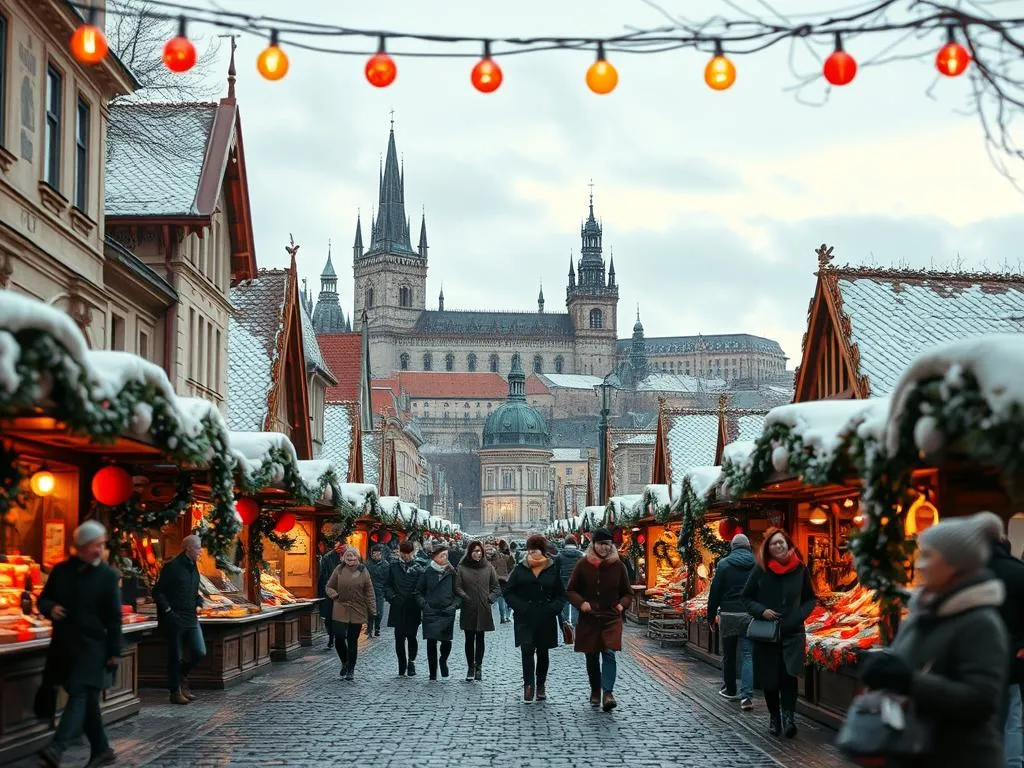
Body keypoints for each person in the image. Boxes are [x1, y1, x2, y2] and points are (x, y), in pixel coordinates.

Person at [859, 513, 1008, 768]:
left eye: (928, 556)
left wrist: (909, 681)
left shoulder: (980, 622)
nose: (919, 565)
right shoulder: (923, 612)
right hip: (915, 750)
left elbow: (981, 700)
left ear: (955, 564)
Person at [37, 521, 122, 768]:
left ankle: (57, 747)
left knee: (80, 693)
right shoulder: (61, 571)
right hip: (65, 646)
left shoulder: (107, 576)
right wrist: (51, 608)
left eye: (102, 545)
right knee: (88, 700)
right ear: (82, 546)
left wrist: (114, 651)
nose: (100, 550)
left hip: (93, 647)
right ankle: (102, 750)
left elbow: (114, 618)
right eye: (96, 545)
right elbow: (44, 599)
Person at [742, 527, 817, 738]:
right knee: (770, 681)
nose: (778, 546)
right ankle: (774, 716)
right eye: (774, 543)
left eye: (781, 542)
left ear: (788, 544)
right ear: (768, 548)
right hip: (767, 635)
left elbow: (810, 598)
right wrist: (762, 611)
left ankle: (789, 718)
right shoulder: (760, 570)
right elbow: (746, 597)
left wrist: (798, 615)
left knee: (789, 677)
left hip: (792, 633)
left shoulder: (800, 569)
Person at [566, 527, 631, 712]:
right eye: (601, 544)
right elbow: (571, 590)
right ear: (594, 544)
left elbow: (627, 592)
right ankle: (595, 689)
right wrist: (581, 603)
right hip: (590, 618)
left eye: (608, 544)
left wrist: (621, 605)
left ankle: (608, 693)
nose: (605, 548)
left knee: (609, 652)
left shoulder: (618, 565)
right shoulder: (583, 564)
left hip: (611, 617)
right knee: (592, 655)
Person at [503, 534, 566, 702]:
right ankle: (528, 685)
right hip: (525, 617)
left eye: (536, 550)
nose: (532, 553)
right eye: (530, 550)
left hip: (545, 616)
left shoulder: (552, 568)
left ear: (542, 551)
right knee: (527, 650)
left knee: (543, 652)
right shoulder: (520, 568)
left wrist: (552, 608)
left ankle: (541, 685)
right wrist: (521, 607)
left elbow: (561, 594)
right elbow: (508, 591)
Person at [984, 514, 1024, 768]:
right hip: (1013, 656)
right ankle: (1013, 764)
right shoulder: (1018, 572)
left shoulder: (973, 574)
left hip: (979, 658)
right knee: (1013, 718)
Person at [152, 533, 206, 705]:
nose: (200, 551)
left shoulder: (193, 566)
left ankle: (181, 677)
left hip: (191, 617)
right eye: (198, 548)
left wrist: (199, 602)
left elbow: (194, 591)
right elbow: (157, 591)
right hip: (174, 618)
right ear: (188, 548)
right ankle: (175, 691)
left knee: (200, 651)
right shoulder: (173, 567)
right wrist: (168, 611)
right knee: (175, 656)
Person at [707, 533, 756, 711]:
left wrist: (710, 615)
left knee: (728, 654)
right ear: (748, 546)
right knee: (748, 655)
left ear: (732, 547)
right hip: (749, 614)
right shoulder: (757, 564)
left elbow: (715, 592)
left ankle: (730, 689)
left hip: (728, 614)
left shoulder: (724, 564)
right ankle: (747, 696)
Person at [325, 546, 376, 681]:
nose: (351, 559)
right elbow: (329, 586)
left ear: (357, 558)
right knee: (339, 637)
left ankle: (351, 669)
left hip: (357, 608)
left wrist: (373, 610)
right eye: (348, 557)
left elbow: (369, 592)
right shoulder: (339, 569)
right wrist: (334, 595)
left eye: (353, 557)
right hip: (340, 607)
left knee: (353, 641)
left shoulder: (363, 571)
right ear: (344, 558)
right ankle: (344, 661)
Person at [455, 540, 501, 681]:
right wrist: (465, 597)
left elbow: (496, 587)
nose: (478, 553)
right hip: (468, 608)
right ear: (470, 552)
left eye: (480, 551)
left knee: (480, 638)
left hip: (483, 608)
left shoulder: (488, 567)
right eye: (475, 551)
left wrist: (489, 599)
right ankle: (470, 667)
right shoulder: (462, 568)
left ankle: (478, 666)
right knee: (469, 638)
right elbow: (457, 586)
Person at [418, 543, 458, 681]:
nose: (445, 558)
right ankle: (432, 673)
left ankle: (443, 660)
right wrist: (424, 605)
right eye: (442, 555)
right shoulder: (427, 572)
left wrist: (454, 606)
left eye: (446, 555)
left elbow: (459, 593)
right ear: (434, 557)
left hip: (447, 612)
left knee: (446, 642)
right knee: (431, 642)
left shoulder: (452, 572)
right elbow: (418, 592)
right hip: (431, 611)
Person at [383, 540, 424, 676]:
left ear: (412, 552)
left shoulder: (418, 568)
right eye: (402, 552)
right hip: (398, 606)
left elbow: (421, 588)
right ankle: (402, 665)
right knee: (399, 638)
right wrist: (392, 597)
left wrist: (417, 599)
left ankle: (411, 661)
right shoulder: (393, 567)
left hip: (413, 607)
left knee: (411, 636)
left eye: (407, 553)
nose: (405, 555)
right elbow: (387, 585)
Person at [317, 539, 343, 649]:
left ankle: (340, 637)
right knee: (330, 618)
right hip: (331, 592)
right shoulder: (328, 557)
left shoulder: (349, 556)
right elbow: (324, 575)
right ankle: (331, 637)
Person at [557, 535, 584, 635]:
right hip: (577, 586)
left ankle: (566, 627)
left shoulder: (559, 556)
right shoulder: (582, 556)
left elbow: (555, 572)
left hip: (562, 585)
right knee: (576, 606)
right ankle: (574, 625)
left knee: (563, 606)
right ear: (576, 544)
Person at [365, 545, 389, 638]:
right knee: (370, 610)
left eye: (378, 553)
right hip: (369, 591)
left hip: (380, 591)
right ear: (372, 554)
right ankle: (369, 628)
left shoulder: (385, 565)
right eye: (375, 553)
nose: (377, 555)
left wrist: (385, 590)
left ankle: (377, 628)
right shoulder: (367, 564)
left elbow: (387, 579)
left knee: (379, 611)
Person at [490, 540, 515, 623]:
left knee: (502, 600)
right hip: (505, 581)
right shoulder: (508, 556)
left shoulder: (495, 556)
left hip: (501, 580)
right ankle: (506, 617)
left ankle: (503, 617)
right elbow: (513, 567)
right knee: (507, 600)